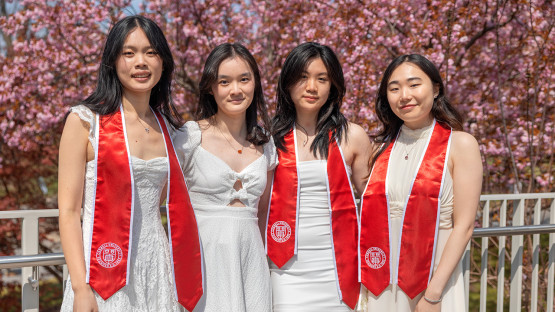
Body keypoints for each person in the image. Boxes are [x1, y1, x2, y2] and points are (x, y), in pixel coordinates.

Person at [59, 16, 203, 312]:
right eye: (129, 53)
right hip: (102, 268)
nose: (141, 62)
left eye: (151, 53)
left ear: (163, 63)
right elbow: (70, 211)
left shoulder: (170, 130)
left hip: (157, 264)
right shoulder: (85, 122)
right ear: (112, 60)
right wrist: (79, 287)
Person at [358, 54, 482, 312]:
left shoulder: (459, 145)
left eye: (414, 84)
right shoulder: (379, 151)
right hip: (381, 282)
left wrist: (433, 295)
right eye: (394, 88)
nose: (404, 95)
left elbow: (464, 226)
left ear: (436, 89)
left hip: (433, 283)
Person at [267, 42, 371, 311]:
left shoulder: (353, 137)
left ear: (333, 86)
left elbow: (374, 205)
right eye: (303, 77)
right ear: (287, 83)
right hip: (284, 269)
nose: (312, 87)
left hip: (337, 267)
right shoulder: (268, 139)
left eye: (321, 79)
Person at [174, 43, 276, 312]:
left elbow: (265, 212)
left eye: (244, 79)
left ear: (255, 83)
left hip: (251, 259)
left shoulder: (266, 144)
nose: (236, 90)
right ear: (210, 86)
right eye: (224, 81)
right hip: (202, 261)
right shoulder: (190, 137)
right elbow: (166, 200)